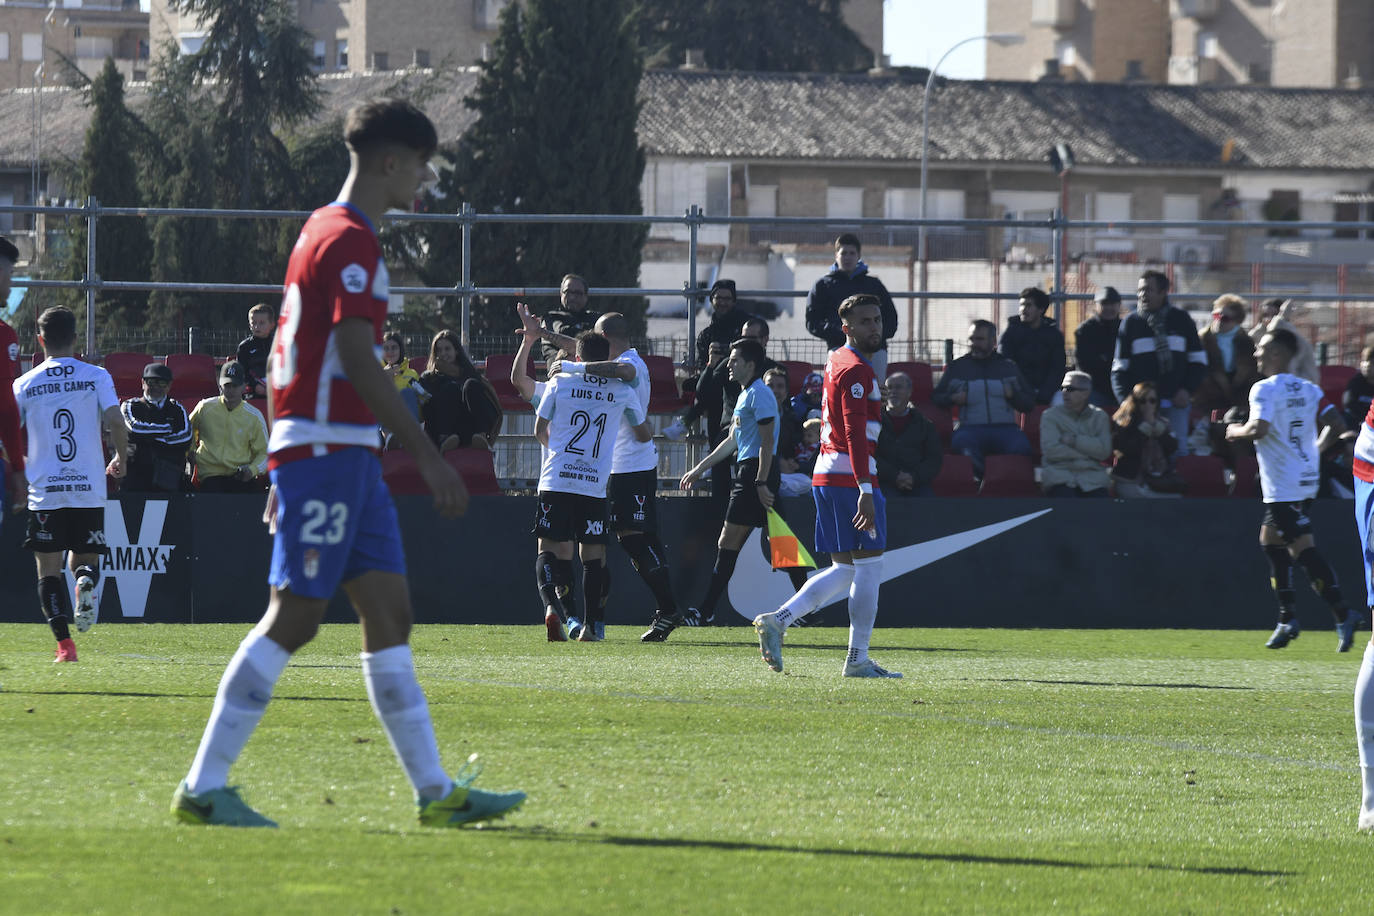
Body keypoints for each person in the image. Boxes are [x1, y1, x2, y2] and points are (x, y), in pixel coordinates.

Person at [171, 97, 523, 829]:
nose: (424, 181)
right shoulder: (350, 239)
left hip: (338, 453)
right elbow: (359, 358)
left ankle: (434, 793)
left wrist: (281, 453)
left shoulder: (322, 232)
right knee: (294, 617)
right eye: (422, 164)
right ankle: (203, 786)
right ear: (391, 160)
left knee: (390, 614)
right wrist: (426, 455)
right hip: (329, 452)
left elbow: (283, 355)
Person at [752, 294, 901, 678]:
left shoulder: (837, 358)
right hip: (851, 477)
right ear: (846, 327)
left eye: (877, 320)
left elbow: (847, 415)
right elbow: (852, 429)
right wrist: (865, 488)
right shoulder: (857, 369)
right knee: (870, 569)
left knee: (845, 570)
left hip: (827, 472)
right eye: (865, 321)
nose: (875, 328)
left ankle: (779, 620)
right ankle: (858, 659)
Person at [1225, 328, 1358, 651]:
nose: (1256, 353)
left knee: (1302, 550)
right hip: (1306, 478)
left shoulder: (1264, 389)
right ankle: (1289, 617)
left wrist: (1234, 431)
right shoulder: (1309, 389)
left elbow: (1259, 429)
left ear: (1279, 354)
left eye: (1263, 348)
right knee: (1270, 541)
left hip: (1284, 484)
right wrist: (1313, 450)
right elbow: (1337, 424)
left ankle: (1341, 612)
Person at [13, 306, 128, 661]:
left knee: (47, 570)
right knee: (84, 558)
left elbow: (5, 437)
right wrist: (121, 457)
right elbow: (115, 420)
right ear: (76, 338)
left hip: (45, 489)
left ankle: (65, 647)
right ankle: (84, 581)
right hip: (88, 486)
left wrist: (23, 466)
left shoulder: (24, 383)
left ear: (40, 339)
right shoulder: (96, 375)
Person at [533, 330, 653, 642]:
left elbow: (539, 429)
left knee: (547, 548)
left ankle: (552, 610)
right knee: (593, 556)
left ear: (576, 356)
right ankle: (590, 626)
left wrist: (559, 452)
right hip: (593, 483)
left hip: (556, 477)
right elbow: (643, 435)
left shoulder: (559, 381)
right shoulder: (622, 390)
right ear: (609, 358)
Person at [678, 336, 785, 630]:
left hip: (755, 473)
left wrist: (761, 482)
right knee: (781, 540)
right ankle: (805, 610)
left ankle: (706, 611)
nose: (729, 364)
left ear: (750, 365)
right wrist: (700, 467)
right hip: (751, 471)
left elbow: (766, 443)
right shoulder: (745, 393)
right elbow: (732, 441)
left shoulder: (758, 394)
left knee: (736, 541)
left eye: (735, 360)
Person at [1112, 269, 1207, 452]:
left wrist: (1187, 390)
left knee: (1176, 451)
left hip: (1175, 402)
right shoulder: (1131, 323)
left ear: (1163, 292)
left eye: (1148, 290)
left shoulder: (1182, 320)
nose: (1142, 295)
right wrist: (1127, 400)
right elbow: (1119, 368)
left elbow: (1198, 362)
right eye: (1140, 290)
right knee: (1139, 452)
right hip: (1142, 405)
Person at [931, 319, 1034, 478]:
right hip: (970, 428)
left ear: (993, 341)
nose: (974, 343)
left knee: (1020, 446)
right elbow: (937, 397)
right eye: (971, 339)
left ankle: (1005, 486)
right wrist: (953, 398)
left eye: (979, 339)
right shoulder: (958, 367)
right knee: (961, 444)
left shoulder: (1008, 367)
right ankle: (979, 486)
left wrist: (1013, 395)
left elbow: (1028, 403)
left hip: (1005, 428)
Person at [806, 233, 898, 378]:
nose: (847, 257)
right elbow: (812, 322)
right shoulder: (823, 286)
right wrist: (841, 333)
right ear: (836, 255)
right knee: (840, 391)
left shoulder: (874, 285)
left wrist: (873, 336)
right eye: (844, 253)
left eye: (852, 253)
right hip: (838, 347)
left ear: (859, 255)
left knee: (877, 394)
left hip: (875, 351)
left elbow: (891, 319)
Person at [189, 361, 269, 493]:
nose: (231, 390)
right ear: (220, 385)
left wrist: (251, 470)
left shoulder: (254, 416)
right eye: (227, 385)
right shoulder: (205, 408)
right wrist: (190, 451)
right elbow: (187, 430)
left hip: (241, 477)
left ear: (244, 386)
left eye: (235, 385)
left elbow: (265, 453)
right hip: (210, 477)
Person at [417, 329, 501, 452]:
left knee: (471, 385)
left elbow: (486, 399)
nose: (443, 353)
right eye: (439, 350)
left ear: (456, 350)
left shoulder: (469, 374)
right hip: (442, 429)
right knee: (449, 389)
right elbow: (426, 407)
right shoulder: (429, 377)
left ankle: (481, 438)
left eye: (447, 349)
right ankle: (445, 439)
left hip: (468, 429)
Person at [119, 362, 192, 493]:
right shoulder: (130, 405)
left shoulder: (177, 409)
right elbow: (134, 429)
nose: (156, 387)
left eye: (162, 383)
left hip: (169, 480)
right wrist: (166, 429)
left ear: (169, 385)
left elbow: (185, 438)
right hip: (135, 479)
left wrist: (147, 441)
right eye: (151, 382)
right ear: (142, 383)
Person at [1039, 371, 1111, 498]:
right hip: (1060, 478)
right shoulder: (1050, 416)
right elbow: (1051, 451)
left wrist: (1075, 441)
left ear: (1086, 393)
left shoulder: (1100, 417)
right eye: (1063, 388)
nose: (1065, 392)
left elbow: (1104, 451)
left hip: (1093, 480)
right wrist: (1089, 454)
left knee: (1103, 509)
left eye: (1070, 389)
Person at [1110, 381, 1182, 499]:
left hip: (1157, 480)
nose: (1148, 405)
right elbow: (1126, 449)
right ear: (1135, 402)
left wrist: (1158, 429)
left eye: (1152, 400)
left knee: (1176, 499)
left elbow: (1172, 448)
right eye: (1142, 401)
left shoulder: (1163, 423)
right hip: (1129, 480)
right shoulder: (1123, 423)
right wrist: (1144, 429)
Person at [874, 371, 941, 498]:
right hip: (884, 483)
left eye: (898, 387)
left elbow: (934, 459)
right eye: (889, 388)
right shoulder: (874, 423)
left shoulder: (925, 425)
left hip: (918, 484)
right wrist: (894, 476)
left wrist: (913, 477)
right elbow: (870, 456)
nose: (893, 391)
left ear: (909, 392)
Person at [1193, 294, 1260, 418]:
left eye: (1225, 318)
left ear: (1237, 320)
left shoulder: (1247, 342)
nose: (1218, 320)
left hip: (1239, 401)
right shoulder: (1202, 339)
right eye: (1216, 315)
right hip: (1209, 400)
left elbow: (1251, 373)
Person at [999, 287, 1065, 406]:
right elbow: (1006, 365)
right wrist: (1024, 390)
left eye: (1028, 305)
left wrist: (1045, 393)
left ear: (1041, 309)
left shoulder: (1054, 335)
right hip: (1018, 389)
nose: (1023, 310)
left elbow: (1057, 368)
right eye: (1021, 305)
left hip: (1047, 390)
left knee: (1062, 402)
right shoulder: (1010, 332)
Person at [0, 236, 27, 515]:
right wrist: (18, 470)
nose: (11, 283)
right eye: (10, 274)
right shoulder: (4, 335)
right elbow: (7, 410)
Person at [538, 273, 601, 375]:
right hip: (561, 376)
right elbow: (564, 333)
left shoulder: (596, 318)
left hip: (592, 377)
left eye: (578, 293)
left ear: (586, 296)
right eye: (568, 292)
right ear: (561, 294)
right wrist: (592, 335)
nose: (572, 297)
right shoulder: (550, 318)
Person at [1073, 286, 1121, 409]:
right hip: (1095, 387)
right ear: (1096, 305)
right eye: (1104, 304)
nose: (1109, 308)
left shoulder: (1126, 328)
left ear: (1119, 305)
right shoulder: (1085, 330)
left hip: (1121, 385)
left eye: (1113, 304)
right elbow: (1084, 366)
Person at [1257, 298, 1318, 384]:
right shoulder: (1257, 334)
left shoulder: (1295, 340)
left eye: (1274, 315)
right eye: (1265, 315)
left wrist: (1281, 318)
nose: (1269, 319)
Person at [380, 331, 425, 430]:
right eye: (386, 348)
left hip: (406, 423)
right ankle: (388, 438)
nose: (390, 352)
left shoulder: (411, 374)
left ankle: (410, 435)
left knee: (407, 393)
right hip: (382, 425)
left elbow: (421, 406)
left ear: (401, 349)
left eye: (394, 348)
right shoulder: (376, 373)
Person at [236, 303, 274, 399]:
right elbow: (242, 372)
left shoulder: (278, 345)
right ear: (249, 325)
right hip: (253, 393)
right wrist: (255, 386)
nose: (257, 327)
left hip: (276, 390)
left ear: (272, 325)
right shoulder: (245, 347)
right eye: (254, 323)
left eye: (261, 323)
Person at [1344, 346, 1374, 430]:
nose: (1367, 365)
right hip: (1356, 421)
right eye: (1364, 361)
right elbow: (1349, 403)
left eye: (1372, 362)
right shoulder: (1355, 382)